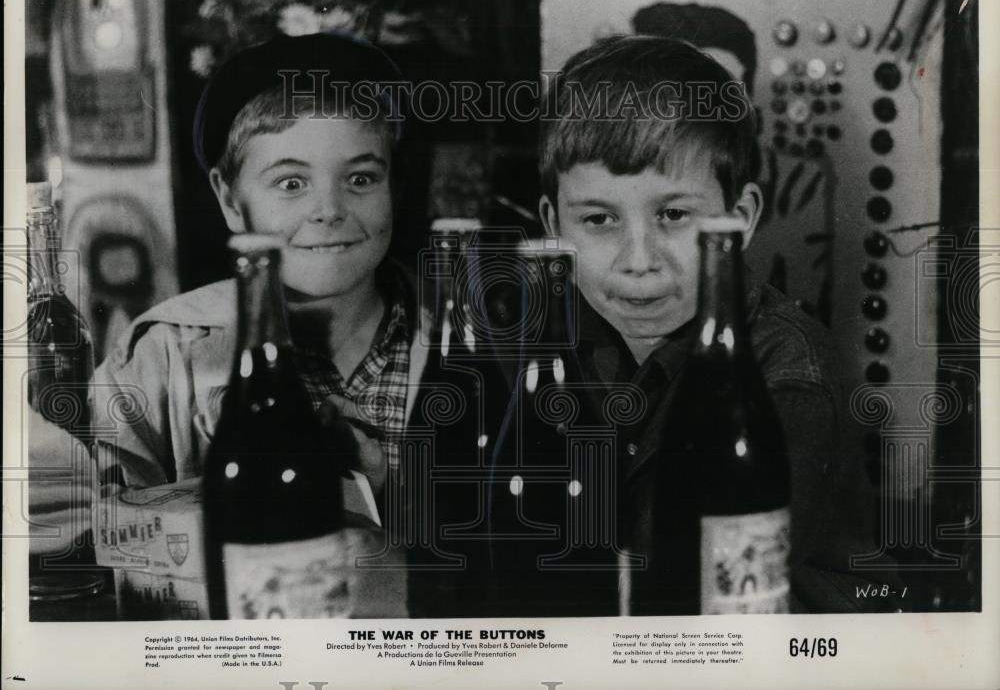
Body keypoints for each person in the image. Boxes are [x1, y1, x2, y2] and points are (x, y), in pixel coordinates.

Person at [485, 34, 893, 614]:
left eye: (673, 215)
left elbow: (681, 570)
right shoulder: (559, 341)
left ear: (740, 219)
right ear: (556, 228)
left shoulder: (791, 378)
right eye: (599, 219)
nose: (639, 258)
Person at [91, 32, 430, 507]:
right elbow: (99, 535)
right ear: (230, 200)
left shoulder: (471, 347)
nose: (329, 210)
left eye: (361, 178)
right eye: (291, 183)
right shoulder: (157, 361)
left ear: (394, 186)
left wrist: (388, 496)